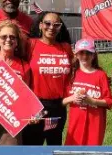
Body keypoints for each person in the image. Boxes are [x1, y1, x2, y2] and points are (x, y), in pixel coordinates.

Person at [23, 11, 73, 145]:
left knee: (54, 144)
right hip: (37, 105)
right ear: (40, 25)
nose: (52, 27)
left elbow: (79, 68)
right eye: (47, 23)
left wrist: (100, 76)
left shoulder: (65, 48)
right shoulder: (30, 45)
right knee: (32, 145)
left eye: (56, 25)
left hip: (59, 106)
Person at [64, 38, 112, 146]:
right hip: (76, 124)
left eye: (88, 53)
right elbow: (62, 101)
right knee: (72, 154)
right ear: (76, 55)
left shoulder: (100, 75)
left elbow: (109, 101)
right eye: (81, 53)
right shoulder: (72, 75)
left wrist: (92, 101)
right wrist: (72, 98)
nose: (85, 56)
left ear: (93, 55)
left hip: (94, 124)